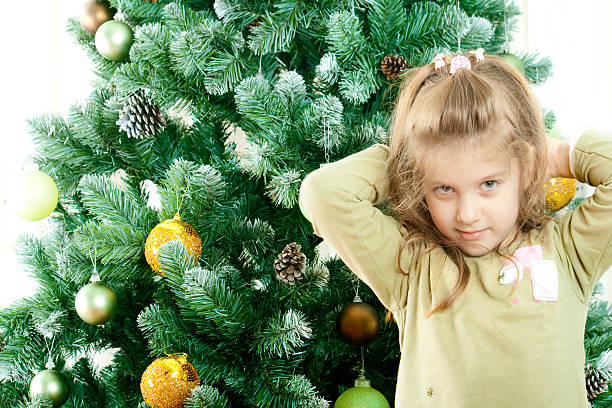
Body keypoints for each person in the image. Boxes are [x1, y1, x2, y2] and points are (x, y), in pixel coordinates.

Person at [298, 48, 612, 407]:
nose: (467, 214)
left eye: (489, 184)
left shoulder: (569, 250)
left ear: (526, 167)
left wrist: (556, 155)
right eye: (444, 188)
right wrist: (407, 159)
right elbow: (323, 194)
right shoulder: (411, 266)